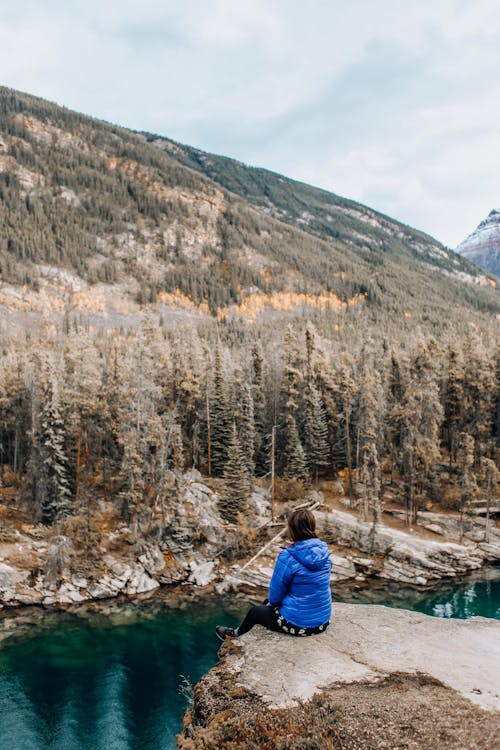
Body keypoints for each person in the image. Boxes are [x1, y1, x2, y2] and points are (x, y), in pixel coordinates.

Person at [216, 508, 332, 640]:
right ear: (312, 526)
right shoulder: (324, 552)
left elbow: (275, 597)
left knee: (255, 612)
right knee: (268, 603)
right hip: (322, 622)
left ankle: (234, 635)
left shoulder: (288, 557)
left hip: (299, 625)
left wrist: (271, 603)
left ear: (292, 529)